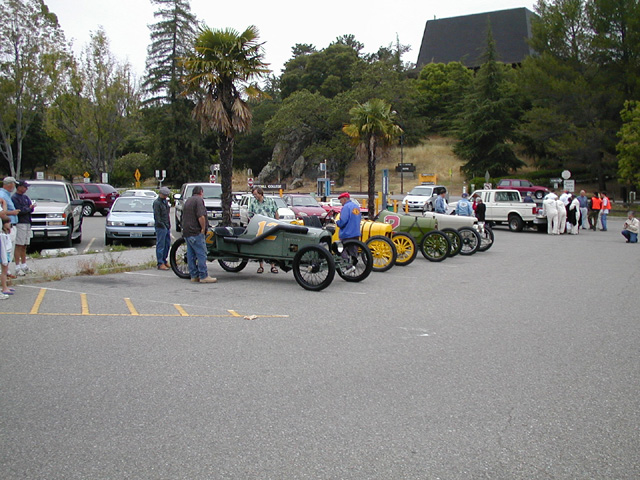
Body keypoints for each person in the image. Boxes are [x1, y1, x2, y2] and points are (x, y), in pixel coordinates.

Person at [181, 185, 216, 283]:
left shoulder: (188, 201)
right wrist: (203, 228)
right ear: (201, 192)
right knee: (201, 254)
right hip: (196, 232)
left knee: (191, 255)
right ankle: (203, 275)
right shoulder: (199, 201)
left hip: (187, 232)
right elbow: (201, 216)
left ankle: (194, 275)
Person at [248, 186, 279, 274]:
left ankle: (273, 266)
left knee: (272, 246)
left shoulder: (270, 201)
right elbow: (250, 215)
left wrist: (278, 223)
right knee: (259, 247)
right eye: (253, 195)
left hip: (270, 227)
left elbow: (276, 212)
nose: (255, 196)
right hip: (259, 228)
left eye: (256, 194)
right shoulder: (253, 203)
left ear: (260, 193)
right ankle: (261, 266)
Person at [11, 180, 35, 275]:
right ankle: (17, 266)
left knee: (25, 245)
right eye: (25, 187)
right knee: (19, 245)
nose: (26, 189)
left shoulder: (25, 197)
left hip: (27, 222)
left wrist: (30, 208)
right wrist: (28, 208)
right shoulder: (15, 198)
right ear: (19, 187)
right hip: (20, 223)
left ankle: (24, 265)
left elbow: (29, 207)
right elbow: (20, 210)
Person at [335, 192, 361, 274]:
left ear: (344, 199)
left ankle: (348, 266)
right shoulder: (356, 207)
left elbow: (343, 221)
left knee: (341, 249)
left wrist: (337, 222)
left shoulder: (346, 207)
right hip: (356, 232)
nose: (340, 202)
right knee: (353, 250)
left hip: (347, 233)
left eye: (340, 200)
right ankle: (353, 266)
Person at [0, 177, 19, 277]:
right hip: (7, 225)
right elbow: (2, 212)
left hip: (12, 224)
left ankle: (6, 270)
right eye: (14, 184)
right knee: (7, 249)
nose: (14, 187)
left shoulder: (7, 195)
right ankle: (5, 271)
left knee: (10, 248)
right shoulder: (2, 195)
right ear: (9, 184)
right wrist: (12, 212)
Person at [153, 187, 172, 270]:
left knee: (167, 244)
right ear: (160, 194)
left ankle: (164, 260)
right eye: (164, 194)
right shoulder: (157, 203)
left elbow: (167, 214)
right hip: (160, 227)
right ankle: (160, 262)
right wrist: (163, 225)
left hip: (167, 225)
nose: (165, 196)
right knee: (161, 245)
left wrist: (168, 224)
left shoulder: (165, 202)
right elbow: (157, 217)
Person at [0, 206, 13, 299]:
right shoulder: (2, 235)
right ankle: (4, 287)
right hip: (4, 254)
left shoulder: (6, 234)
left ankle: (5, 286)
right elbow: (3, 213)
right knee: (3, 271)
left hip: (6, 253)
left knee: (5, 270)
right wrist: (4, 202)